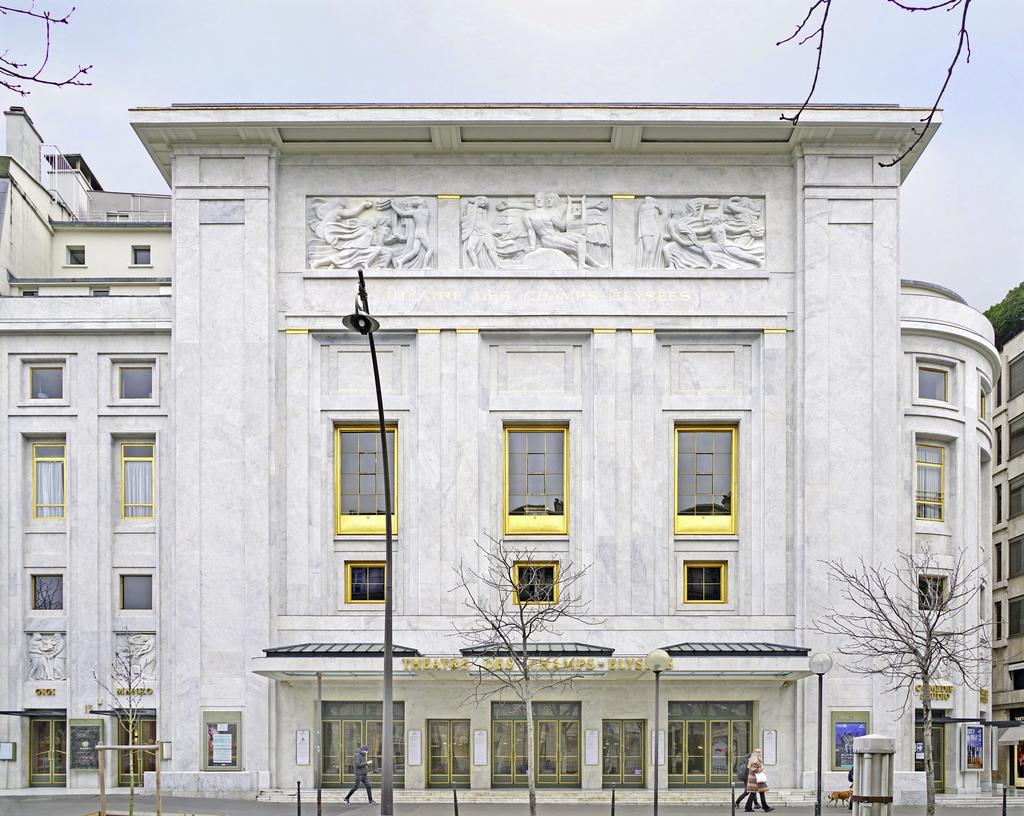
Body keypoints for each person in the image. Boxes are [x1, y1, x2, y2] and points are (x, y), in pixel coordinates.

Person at [745, 748, 773, 812]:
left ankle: (748, 807)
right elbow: (755, 770)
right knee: (759, 793)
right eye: (757, 752)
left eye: (760, 752)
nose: (759, 753)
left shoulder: (754, 759)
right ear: (755, 753)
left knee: (755, 793)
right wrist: (761, 768)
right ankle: (765, 807)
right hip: (756, 779)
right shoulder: (755, 760)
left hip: (755, 779)